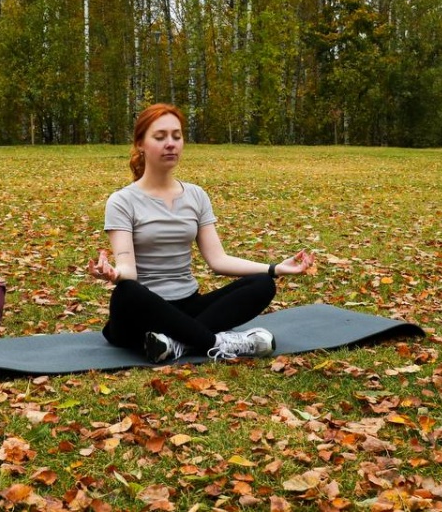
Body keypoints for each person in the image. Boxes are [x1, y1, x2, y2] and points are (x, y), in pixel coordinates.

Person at [88, 103, 316, 363]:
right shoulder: (122, 201)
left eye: (177, 135)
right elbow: (128, 270)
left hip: (188, 307)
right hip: (141, 315)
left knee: (262, 284)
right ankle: (218, 343)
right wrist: (114, 274)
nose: (171, 143)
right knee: (126, 291)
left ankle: (176, 344)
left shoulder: (196, 196)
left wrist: (275, 268)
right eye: (160, 137)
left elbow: (218, 260)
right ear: (141, 144)